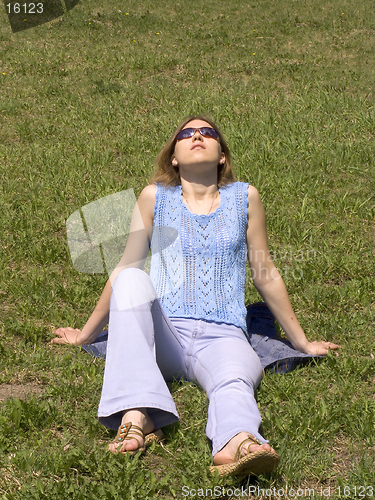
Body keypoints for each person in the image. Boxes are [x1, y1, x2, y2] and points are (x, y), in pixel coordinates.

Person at [52, 116, 339, 477]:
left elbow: (265, 273)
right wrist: (85, 334)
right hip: (164, 335)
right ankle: (136, 416)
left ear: (222, 155)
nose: (197, 136)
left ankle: (238, 441)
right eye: (186, 134)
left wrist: (302, 342)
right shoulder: (154, 197)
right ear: (174, 157)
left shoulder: (244, 198)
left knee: (235, 378)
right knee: (130, 277)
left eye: (207, 133)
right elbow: (125, 267)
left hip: (224, 336)